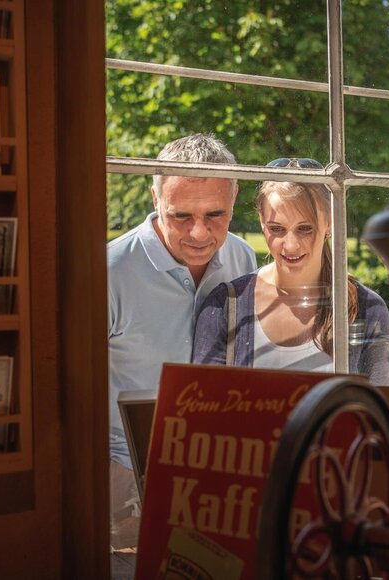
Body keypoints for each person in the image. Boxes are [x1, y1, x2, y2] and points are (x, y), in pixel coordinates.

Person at [107, 134, 257, 547]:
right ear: (155, 198)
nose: (199, 232)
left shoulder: (242, 257)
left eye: (215, 214)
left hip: (214, 467)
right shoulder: (110, 272)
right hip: (124, 474)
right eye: (181, 216)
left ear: (234, 197)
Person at [192, 158, 389, 383]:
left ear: (329, 221)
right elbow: (202, 399)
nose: (290, 246)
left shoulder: (368, 309)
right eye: (276, 229)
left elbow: (379, 401)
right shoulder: (224, 306)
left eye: (305, 229)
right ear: (261, 220)